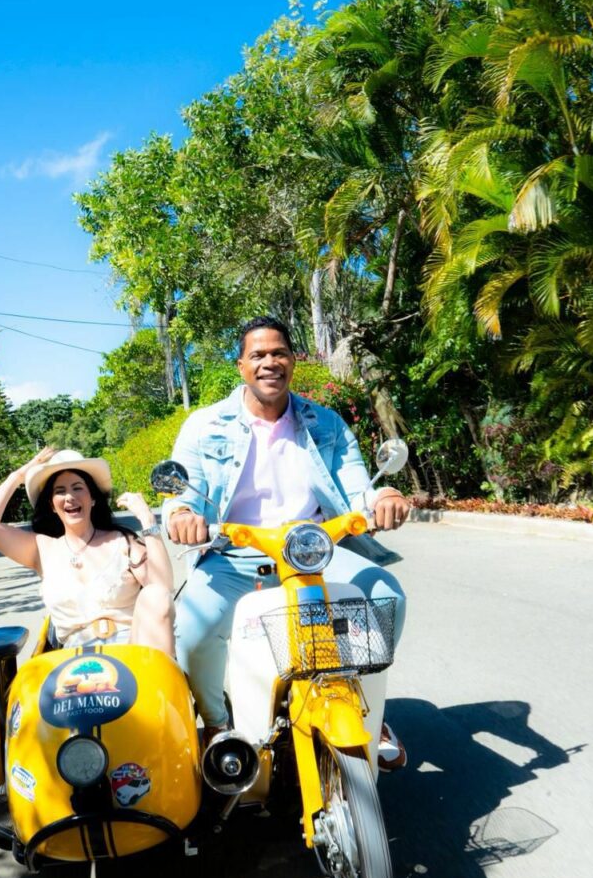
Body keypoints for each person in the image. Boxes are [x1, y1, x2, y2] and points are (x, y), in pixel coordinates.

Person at [164, 317, 410, 767]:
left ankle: (369, 707)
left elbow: (357, 488)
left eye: (279, 353)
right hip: (235, 554)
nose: (269, 363)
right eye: (257, 355)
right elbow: (183, 495)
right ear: (241, 366)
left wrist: (383, 497)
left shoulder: (326, 423)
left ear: (293, 361)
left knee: (386, 596)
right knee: (192, 634)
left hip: (314, 550)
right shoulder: (204, 425)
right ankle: (218, 723)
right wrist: (181, 515)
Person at [0, 448, 175, 657]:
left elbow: (163, 588)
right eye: (60, 491)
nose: (69, 497)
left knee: (156, 594)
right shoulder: (42, 548)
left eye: (78, 488)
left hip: (133, 656)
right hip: (72, 664)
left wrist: (147, 520)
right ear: (52, 505)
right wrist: (20, 476)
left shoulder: (123, 541)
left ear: (93, 498)